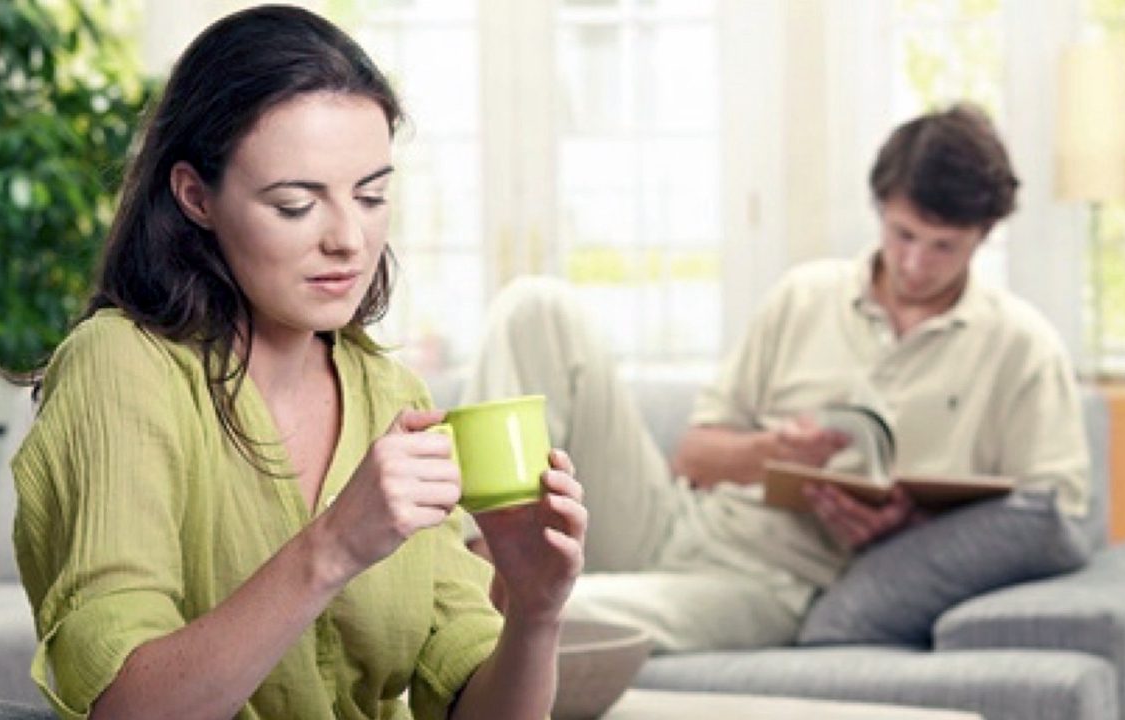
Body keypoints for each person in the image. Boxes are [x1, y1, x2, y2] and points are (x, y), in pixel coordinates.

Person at [10, 6, 586, 719]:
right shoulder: (121, 369)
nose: (349, 237)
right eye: (294, 203)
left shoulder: (391, 395)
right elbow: (126, 708)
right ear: (195, 196)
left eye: (371, 195)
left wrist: (534, 611)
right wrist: (335, 546)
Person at [459, 103, 1090, 653]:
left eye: (943, 246)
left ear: (984, 236)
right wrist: (771, 452)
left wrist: (907, 530)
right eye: (903, 234)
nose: (915, 263)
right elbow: (695, 455)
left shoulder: (1020, 347)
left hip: (766, 585)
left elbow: (1052, 518)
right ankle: (472, 561)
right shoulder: (804, 296)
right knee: (534, 304)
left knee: (542, 615)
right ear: (880, 209)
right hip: (675, 521)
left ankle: (474, 603)